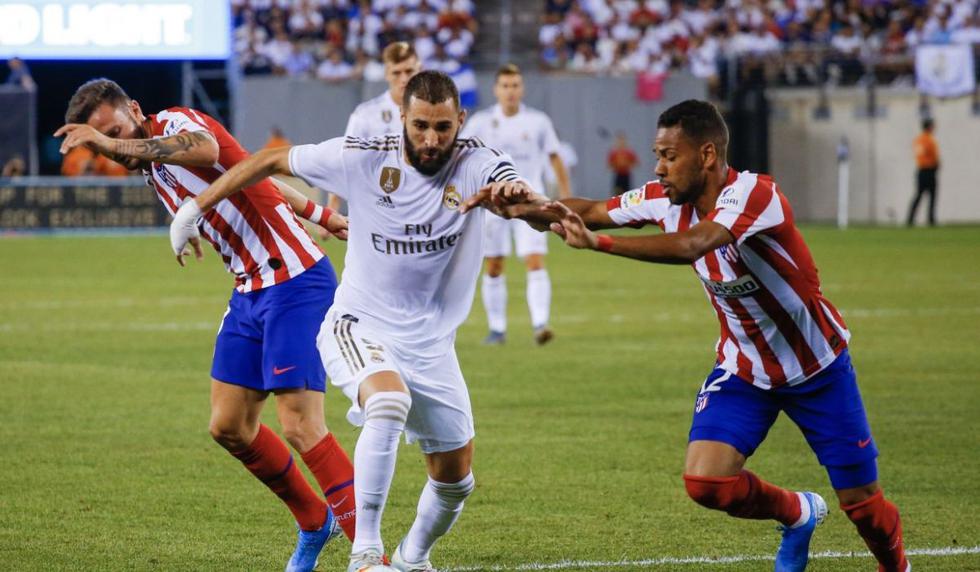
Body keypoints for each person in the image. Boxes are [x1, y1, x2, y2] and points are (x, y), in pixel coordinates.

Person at [464, 99, 910, 572]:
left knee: (864, 507)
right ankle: (798, 513)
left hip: (818, 368)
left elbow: (694, 244)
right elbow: (590, 210)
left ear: (708, 156)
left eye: (669, 156)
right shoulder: (663, 197)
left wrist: (603, 245)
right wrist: (526, 209)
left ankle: (896, 566)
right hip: (745, 370)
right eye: (657, 155)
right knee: (706, 483)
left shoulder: (755, 195)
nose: (658, 167)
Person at [172, 70, 527, 572]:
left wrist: (524, 200)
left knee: (455, 481)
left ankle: (410, 559)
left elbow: (513, 186)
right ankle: (365, 555)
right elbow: (270, 160)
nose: (431, 139)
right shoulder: (363, 153)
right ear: (402, 116)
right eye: (420, 124)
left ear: (460, 121)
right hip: (358, 321)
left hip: (431, 343)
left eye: (443, 128)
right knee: (385, 402)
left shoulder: (476, 161)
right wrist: (195, 206)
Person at [54, 78, 357, 572]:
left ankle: (370, 554)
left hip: (296, 280)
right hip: (249, 290)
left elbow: (209, 147)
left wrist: (109, 144)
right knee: (229, 426)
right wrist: (317, 210)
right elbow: (249, 170)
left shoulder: (176, 123)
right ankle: (313, 520)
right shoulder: (154, 169)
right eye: (103, 139)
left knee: (301, 424)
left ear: (134, 109)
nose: (116, 148)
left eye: (115, 130)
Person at [462, 63, 571, 346]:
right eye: (505, 86)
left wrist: (565, 196)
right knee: (494, 265)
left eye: (515, 85)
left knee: (534, 261)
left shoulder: (538, 122)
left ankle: (540, 325)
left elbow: (555, 157)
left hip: (531, 204)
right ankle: (497, 329)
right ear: (496, 89)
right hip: (493, 205)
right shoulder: (480, 123)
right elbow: (463, 159)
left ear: (522, 88)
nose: (510, 91)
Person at [327, 41, 421, 212]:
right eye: (396, 73)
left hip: (420, 204)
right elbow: (346, 158)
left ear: (419, 70)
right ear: (386, 74)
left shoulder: (432, 111)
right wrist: (333, 203)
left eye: (409, 71)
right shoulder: (366, 114)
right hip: (379, 206)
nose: (404, 79)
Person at [907, 118, 939, 227]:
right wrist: (936, 166)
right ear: (929, 127)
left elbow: (917, 154)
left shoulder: (918, 140)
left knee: (918, 195)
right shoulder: (930, 140)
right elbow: (934, 157)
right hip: (930, 170)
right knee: (932, 196)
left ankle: (910, 219)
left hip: (920, 170)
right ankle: (931, 220)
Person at [607, 131, 638, 196]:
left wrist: (626, 164)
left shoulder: (629, 152)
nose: (621, 142)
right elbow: (609, 165)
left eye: (622, 140)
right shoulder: (614, 153)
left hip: (626, 175)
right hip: (618, 175)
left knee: (627, 194)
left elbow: (636, 163)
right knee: (617, 193)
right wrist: (617, 165)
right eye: (619, 140)